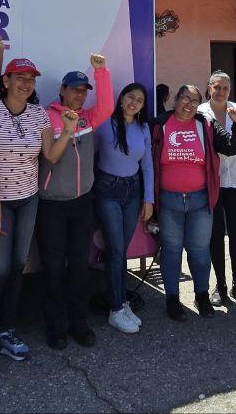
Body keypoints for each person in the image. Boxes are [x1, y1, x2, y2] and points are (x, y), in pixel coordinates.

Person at [0, 58, 78, 366]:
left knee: (18, 265)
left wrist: (68, 132)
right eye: (19, 77)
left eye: (31, 78)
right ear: (6, 81)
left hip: (28, 198)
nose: (26, 83)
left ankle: (5, 331)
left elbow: (50, 157)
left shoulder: (39, 114)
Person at [36, 55, 113, 350]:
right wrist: (66, 130)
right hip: (52, 205)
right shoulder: (46, 116)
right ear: (62, 91)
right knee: (54, 269)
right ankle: (56, 328)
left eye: (83, 91)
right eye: (75, 90)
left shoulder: (87, 118)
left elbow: (106, 106)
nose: (79, 95)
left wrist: (101, 72)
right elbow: (47, 156)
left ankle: (79, 325)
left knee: (80, 267)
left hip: (82, 203)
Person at [151, 84, 236, 321]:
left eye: (194, 101)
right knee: (171, 251)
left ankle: (201, 295)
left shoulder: (207, 124)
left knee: (199, 251)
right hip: (169, 200)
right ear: (175, 99)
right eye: (185, 99)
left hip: (200, 200)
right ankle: (172, 298)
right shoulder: (160, 124)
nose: (189, 105)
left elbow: (233, 147)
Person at [94, 83, 154, 334]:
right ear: (121, 99)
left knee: (121, 250)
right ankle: (116, 309)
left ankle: (122, 302)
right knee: (116, 249)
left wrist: (148, 199)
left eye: (139, 100)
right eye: (131, 97)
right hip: (107, 189)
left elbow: (148, 165)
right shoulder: (105, 123)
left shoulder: (143, 127)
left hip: (133, 191)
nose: (134, 102)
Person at [198, 71, 236, 308]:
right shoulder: (201, 112)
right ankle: (219, 285)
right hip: (212, 182)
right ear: (209, 88)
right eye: (217, 87)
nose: (221, 92)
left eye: (225, 88)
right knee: (215, 235)